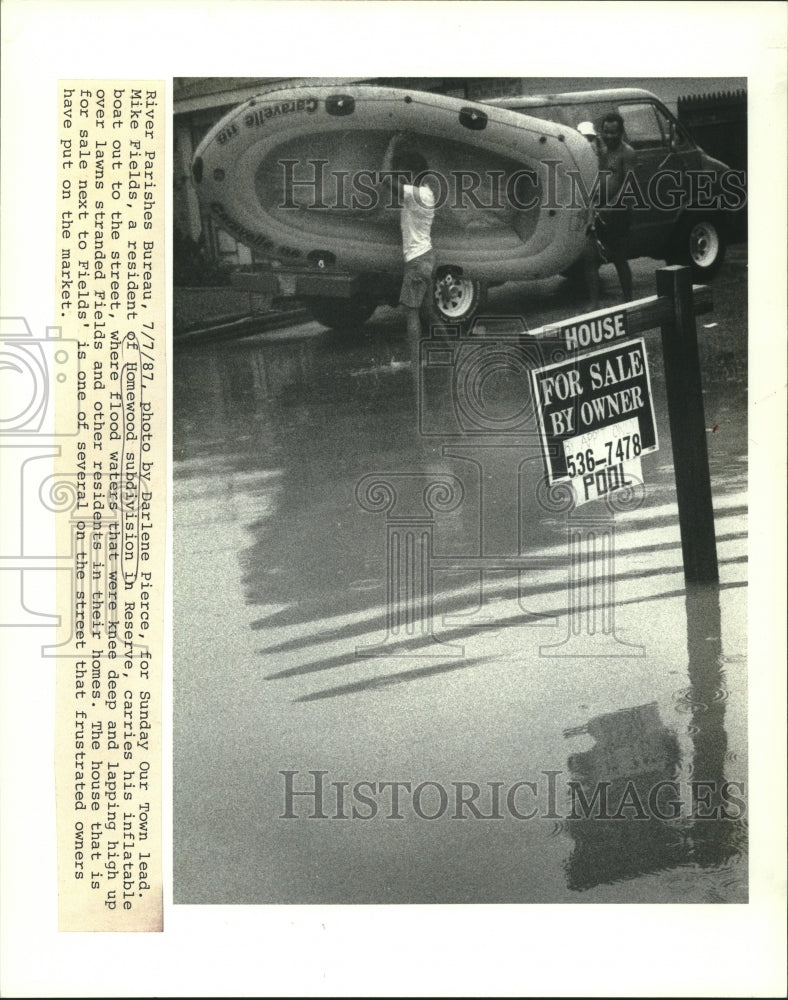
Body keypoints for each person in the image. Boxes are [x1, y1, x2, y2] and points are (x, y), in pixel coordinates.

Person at [380, 134, 437, 361]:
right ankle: (453, 349)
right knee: (430, 313)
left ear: (413, 174)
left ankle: (415, 358)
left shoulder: (415, 194)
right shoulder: (427, 193)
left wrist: (391, 144)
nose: (401, 178)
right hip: (428, 258)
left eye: (404, 174)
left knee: (411, 314)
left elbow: (384, 178)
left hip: (416, 261)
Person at [597, 112, 635, 303]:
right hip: (601, 210)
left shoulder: (627, 153)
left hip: (619, 213)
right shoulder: (601, 152)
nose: (609, 136)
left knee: (619, 258)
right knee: (591, 257)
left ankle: (628, 299)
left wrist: (611, 207)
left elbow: (628, 185)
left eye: (613, 133)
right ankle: (594, 304)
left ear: (620, 132)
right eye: (606, 132)